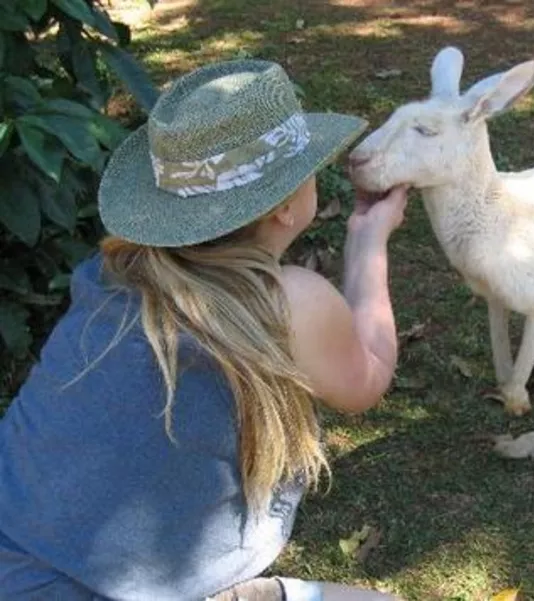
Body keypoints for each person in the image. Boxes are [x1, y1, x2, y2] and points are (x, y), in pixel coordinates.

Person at [0, 59, 408, 600]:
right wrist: (369, 240)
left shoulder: (112, 273)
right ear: (287, 206)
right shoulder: (288, 303)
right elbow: (370, 375)